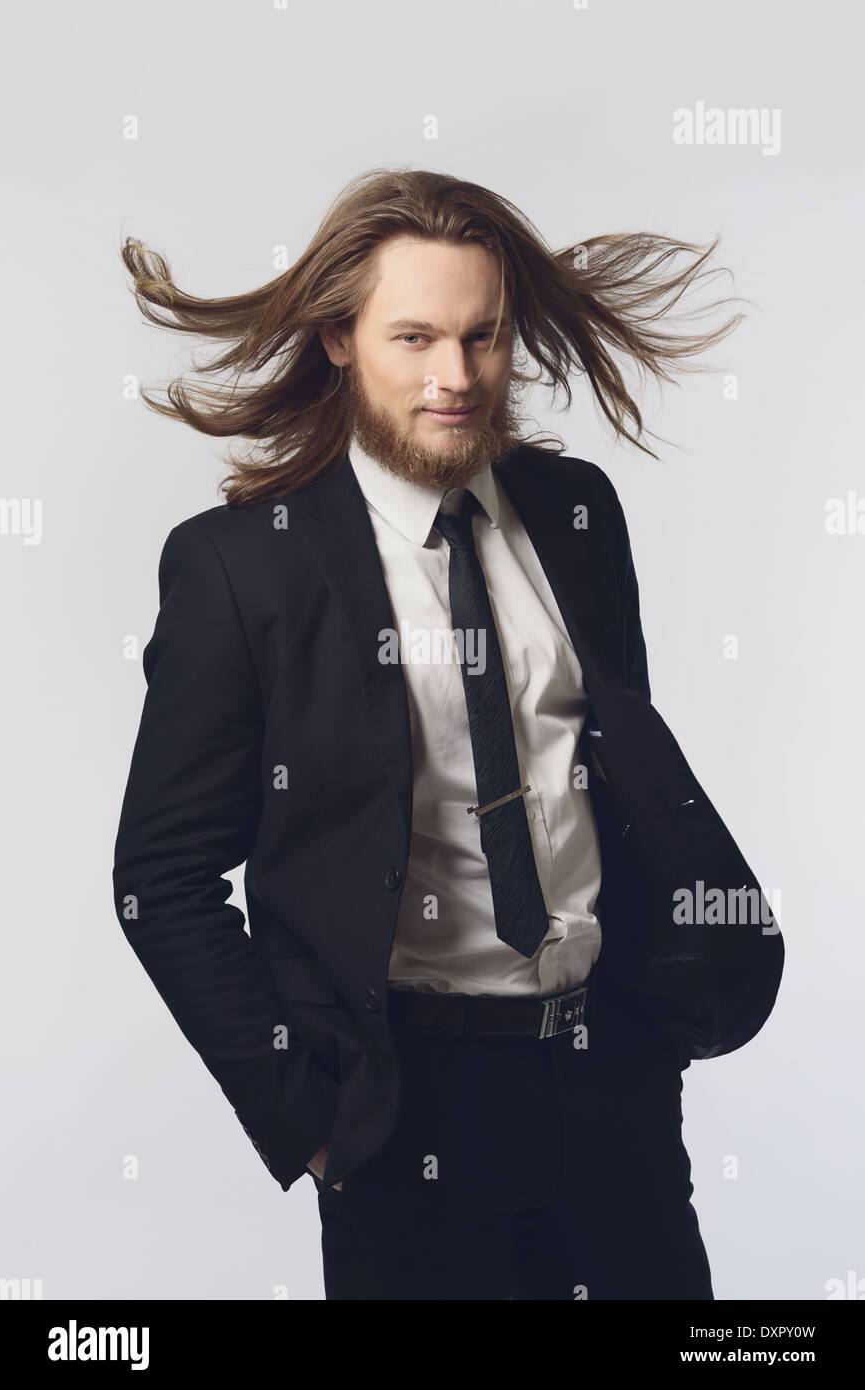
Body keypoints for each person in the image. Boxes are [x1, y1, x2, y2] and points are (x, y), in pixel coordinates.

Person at [112, 167, 784, 1299]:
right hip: (408, 1111)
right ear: (338, 336)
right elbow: (161, 874)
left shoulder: (577, 517)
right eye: (415, 337)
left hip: (609, 1078)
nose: (455, 377)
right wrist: (308, 1118)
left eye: (484, 337)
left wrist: (656, 1023)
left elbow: (610, 777)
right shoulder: (243, 568)